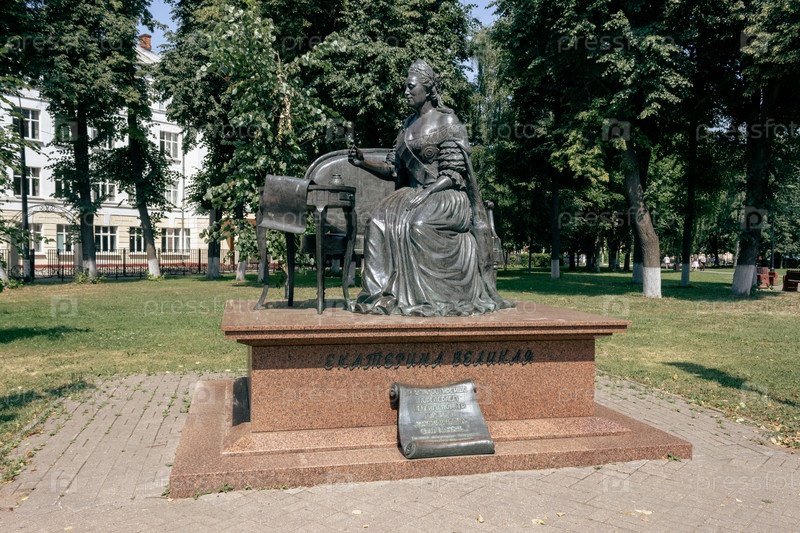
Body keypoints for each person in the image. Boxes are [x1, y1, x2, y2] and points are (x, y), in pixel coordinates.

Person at [347, 59, 514, 316]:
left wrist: (428, 192)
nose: (406, 91)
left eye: (411, 87)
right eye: (405, 86)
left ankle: (431, 299)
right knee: (376, 222)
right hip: (413, 194)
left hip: (447, 194)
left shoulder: (448, 121)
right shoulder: (406, 126)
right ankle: (380, 294)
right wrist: (363, 162)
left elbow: (454, 173)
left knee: (419, 225)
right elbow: (393, 169)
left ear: (428, 90)